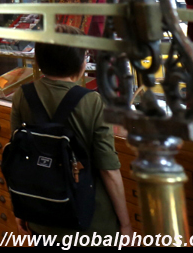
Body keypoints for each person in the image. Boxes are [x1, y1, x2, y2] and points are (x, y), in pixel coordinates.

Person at [9, 25, 132, 239]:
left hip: (40, 216)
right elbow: (108, 168)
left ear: (38, 60)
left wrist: (19, 210)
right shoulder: (92, 101)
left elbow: (17, 158)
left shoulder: (22, 95)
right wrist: (126, 223)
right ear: (80, 62)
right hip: (90, 222)